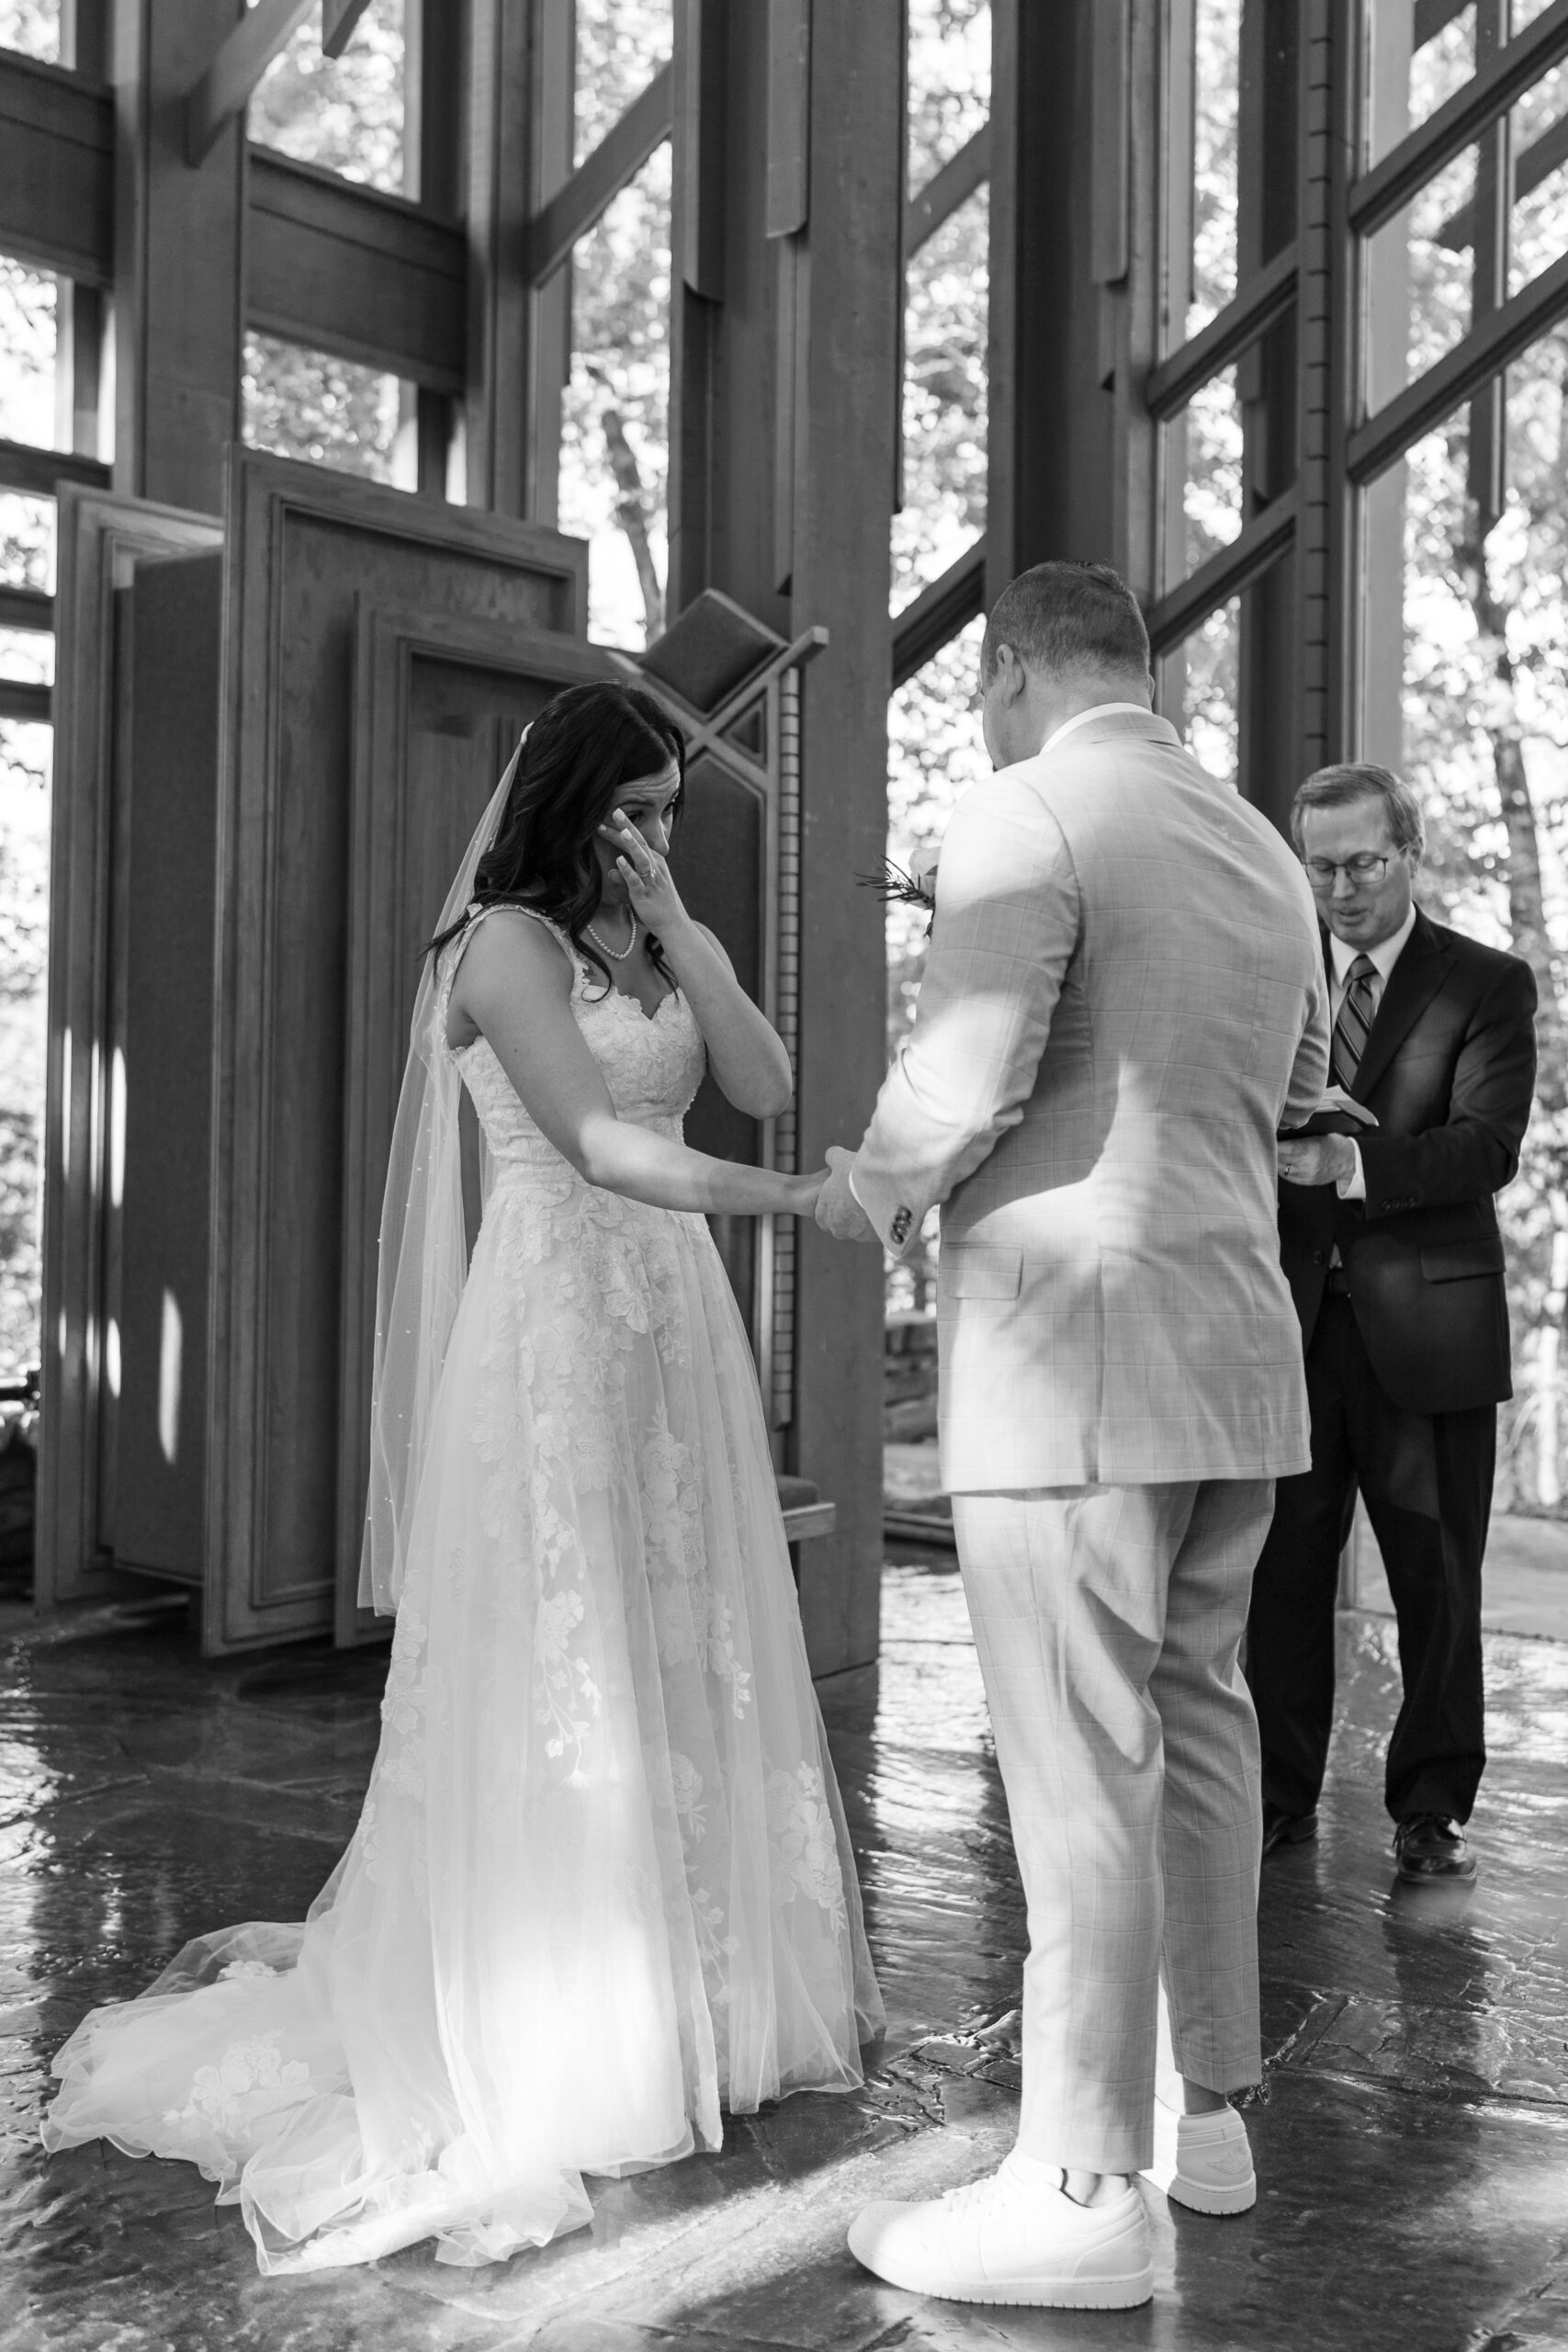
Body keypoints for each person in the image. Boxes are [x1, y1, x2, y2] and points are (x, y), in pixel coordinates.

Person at [41, 681, 882, 2272]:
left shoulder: (649, 937)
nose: (648, 834)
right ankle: (578, 2017)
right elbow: (603, 1149)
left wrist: (689, 928)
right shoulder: (499, 945)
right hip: (556, 1330)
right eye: (629, 810)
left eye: (667, 812)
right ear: (566, 803)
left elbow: (764, 1076)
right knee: (574, 1659)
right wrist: (794, 1204)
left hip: (673, 1331)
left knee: (682, 1632)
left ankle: (715, 1990)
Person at [816, 560, 1329, 2312]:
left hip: (1071, 1365)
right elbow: (1292, 1079)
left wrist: (863, 1187)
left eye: (981, 695)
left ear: (1021, 666)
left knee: (1075, 1776)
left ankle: (1077, 2185)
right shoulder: (1264, 845)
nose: (983, 726)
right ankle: (1213, 2117)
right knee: (1196, 1733)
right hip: (1233, 1361)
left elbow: (965, 1079)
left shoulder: (1023, 807)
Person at [1251, 763, 1537, 1884]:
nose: (1341, 888)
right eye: (1319, 867)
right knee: (1280, 1578)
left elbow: (1488, 1148)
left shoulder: (1488, 982)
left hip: (1430, 1331)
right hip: (1286, 1323)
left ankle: (1430, 1812)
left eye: (1364, 863)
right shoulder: (1270, 981)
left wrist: (1348, 1162)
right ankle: (1277, 1798)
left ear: (1410, 851)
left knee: (1437, 1579)